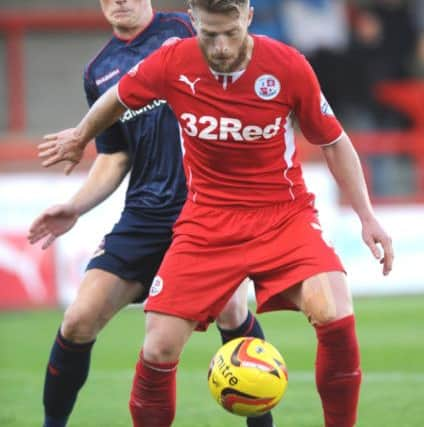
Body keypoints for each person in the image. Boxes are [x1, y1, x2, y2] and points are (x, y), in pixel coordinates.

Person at [37, 0, 394, 426]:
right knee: (158, 347)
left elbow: (334, 142)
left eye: (230, 33)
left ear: (249, 18)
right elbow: (116, 98)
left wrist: (367, 217)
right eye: (209, 35)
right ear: (193, 23)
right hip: (206, 220)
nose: (221, 47)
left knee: (334, 311)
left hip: (283, 214)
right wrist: (80, 137)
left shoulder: (286, 65)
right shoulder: (172, 60)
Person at [28, 1, 274, 427]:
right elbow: (116, 155)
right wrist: (76, 206)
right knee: (78, 320)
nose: (120, 1)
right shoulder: (99, 70)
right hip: (144, 213)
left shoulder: (187, 30)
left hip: (206, 208)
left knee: (231, 310)